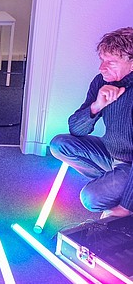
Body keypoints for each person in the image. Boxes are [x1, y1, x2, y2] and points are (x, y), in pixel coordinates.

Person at [50, 27, 133, 218]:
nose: (101, 68)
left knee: (91, 198)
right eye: (101, 60)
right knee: (59, 145)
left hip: (130, 162)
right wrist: (96, 106)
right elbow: (76, 129)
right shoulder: (101, 82)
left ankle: (125, 191)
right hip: (111, 152)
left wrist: (125, 207)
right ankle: (118, 182)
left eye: (110, 62)